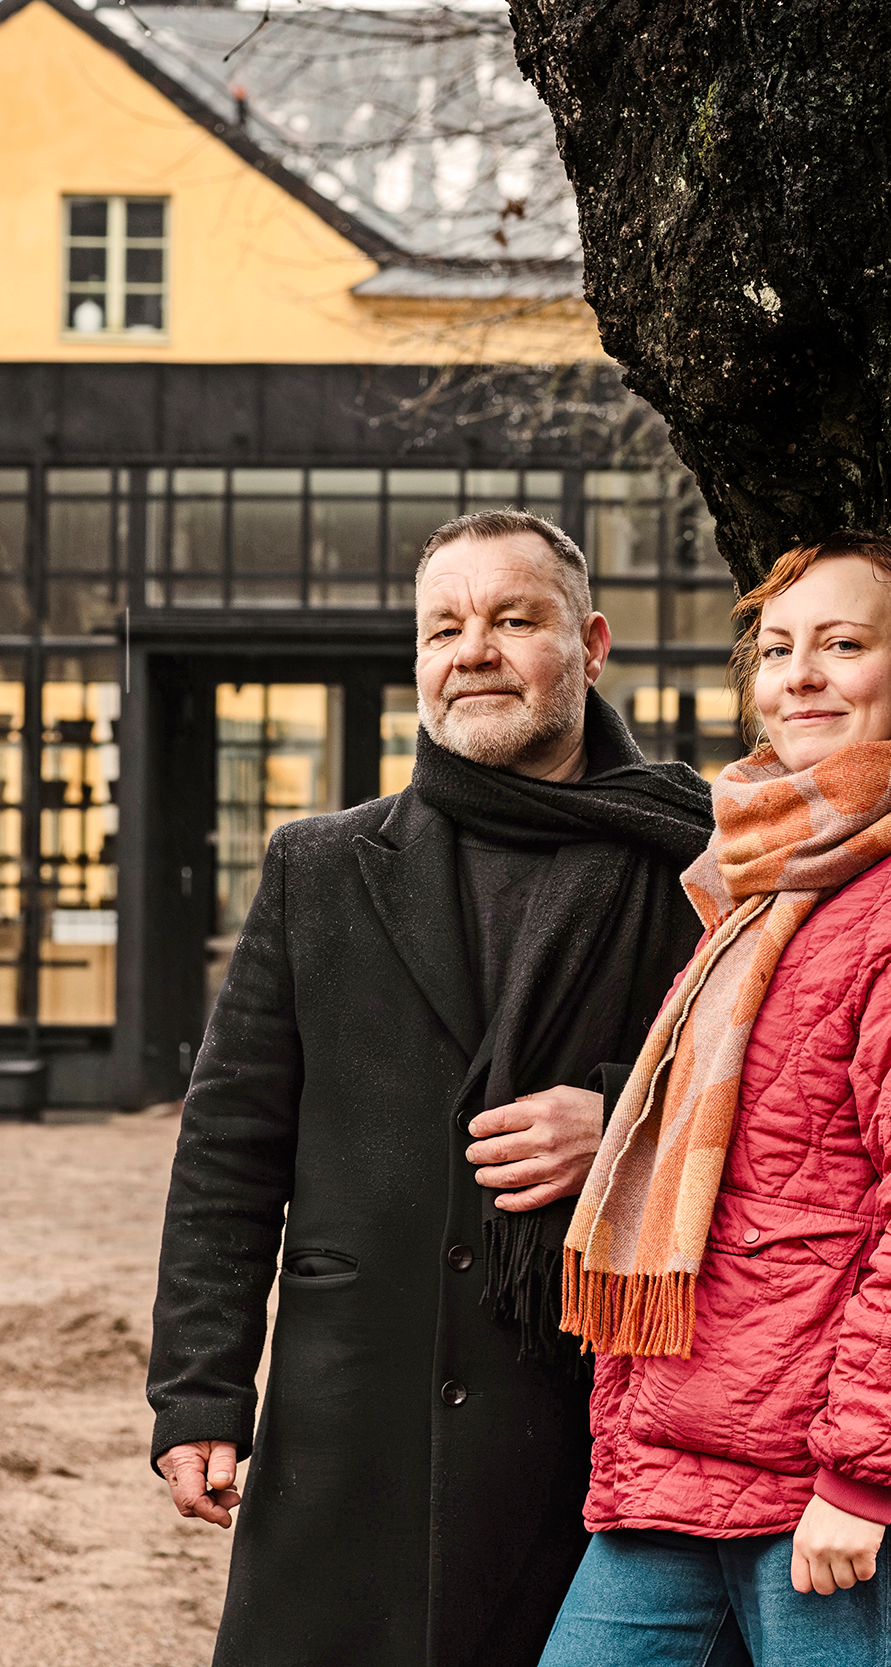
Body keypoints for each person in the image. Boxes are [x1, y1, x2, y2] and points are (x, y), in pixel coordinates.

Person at [147, 510, 713, 1667]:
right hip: (348, 1407)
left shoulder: (699, 862)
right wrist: (199, 1393)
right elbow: (229, 1148)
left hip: (575, 1409)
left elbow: (776, 1087)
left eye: (516, 618)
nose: (474, 650)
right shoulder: (320, 867)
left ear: (591, 644)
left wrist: (621, 1123)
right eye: (443, 626)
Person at [543, 530, 891, 1667]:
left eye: (843, 644)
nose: (801, 674)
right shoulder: (768, 889)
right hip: (690, 1448)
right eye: (777, 649)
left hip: (841, 1471)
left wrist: (865, 1473)